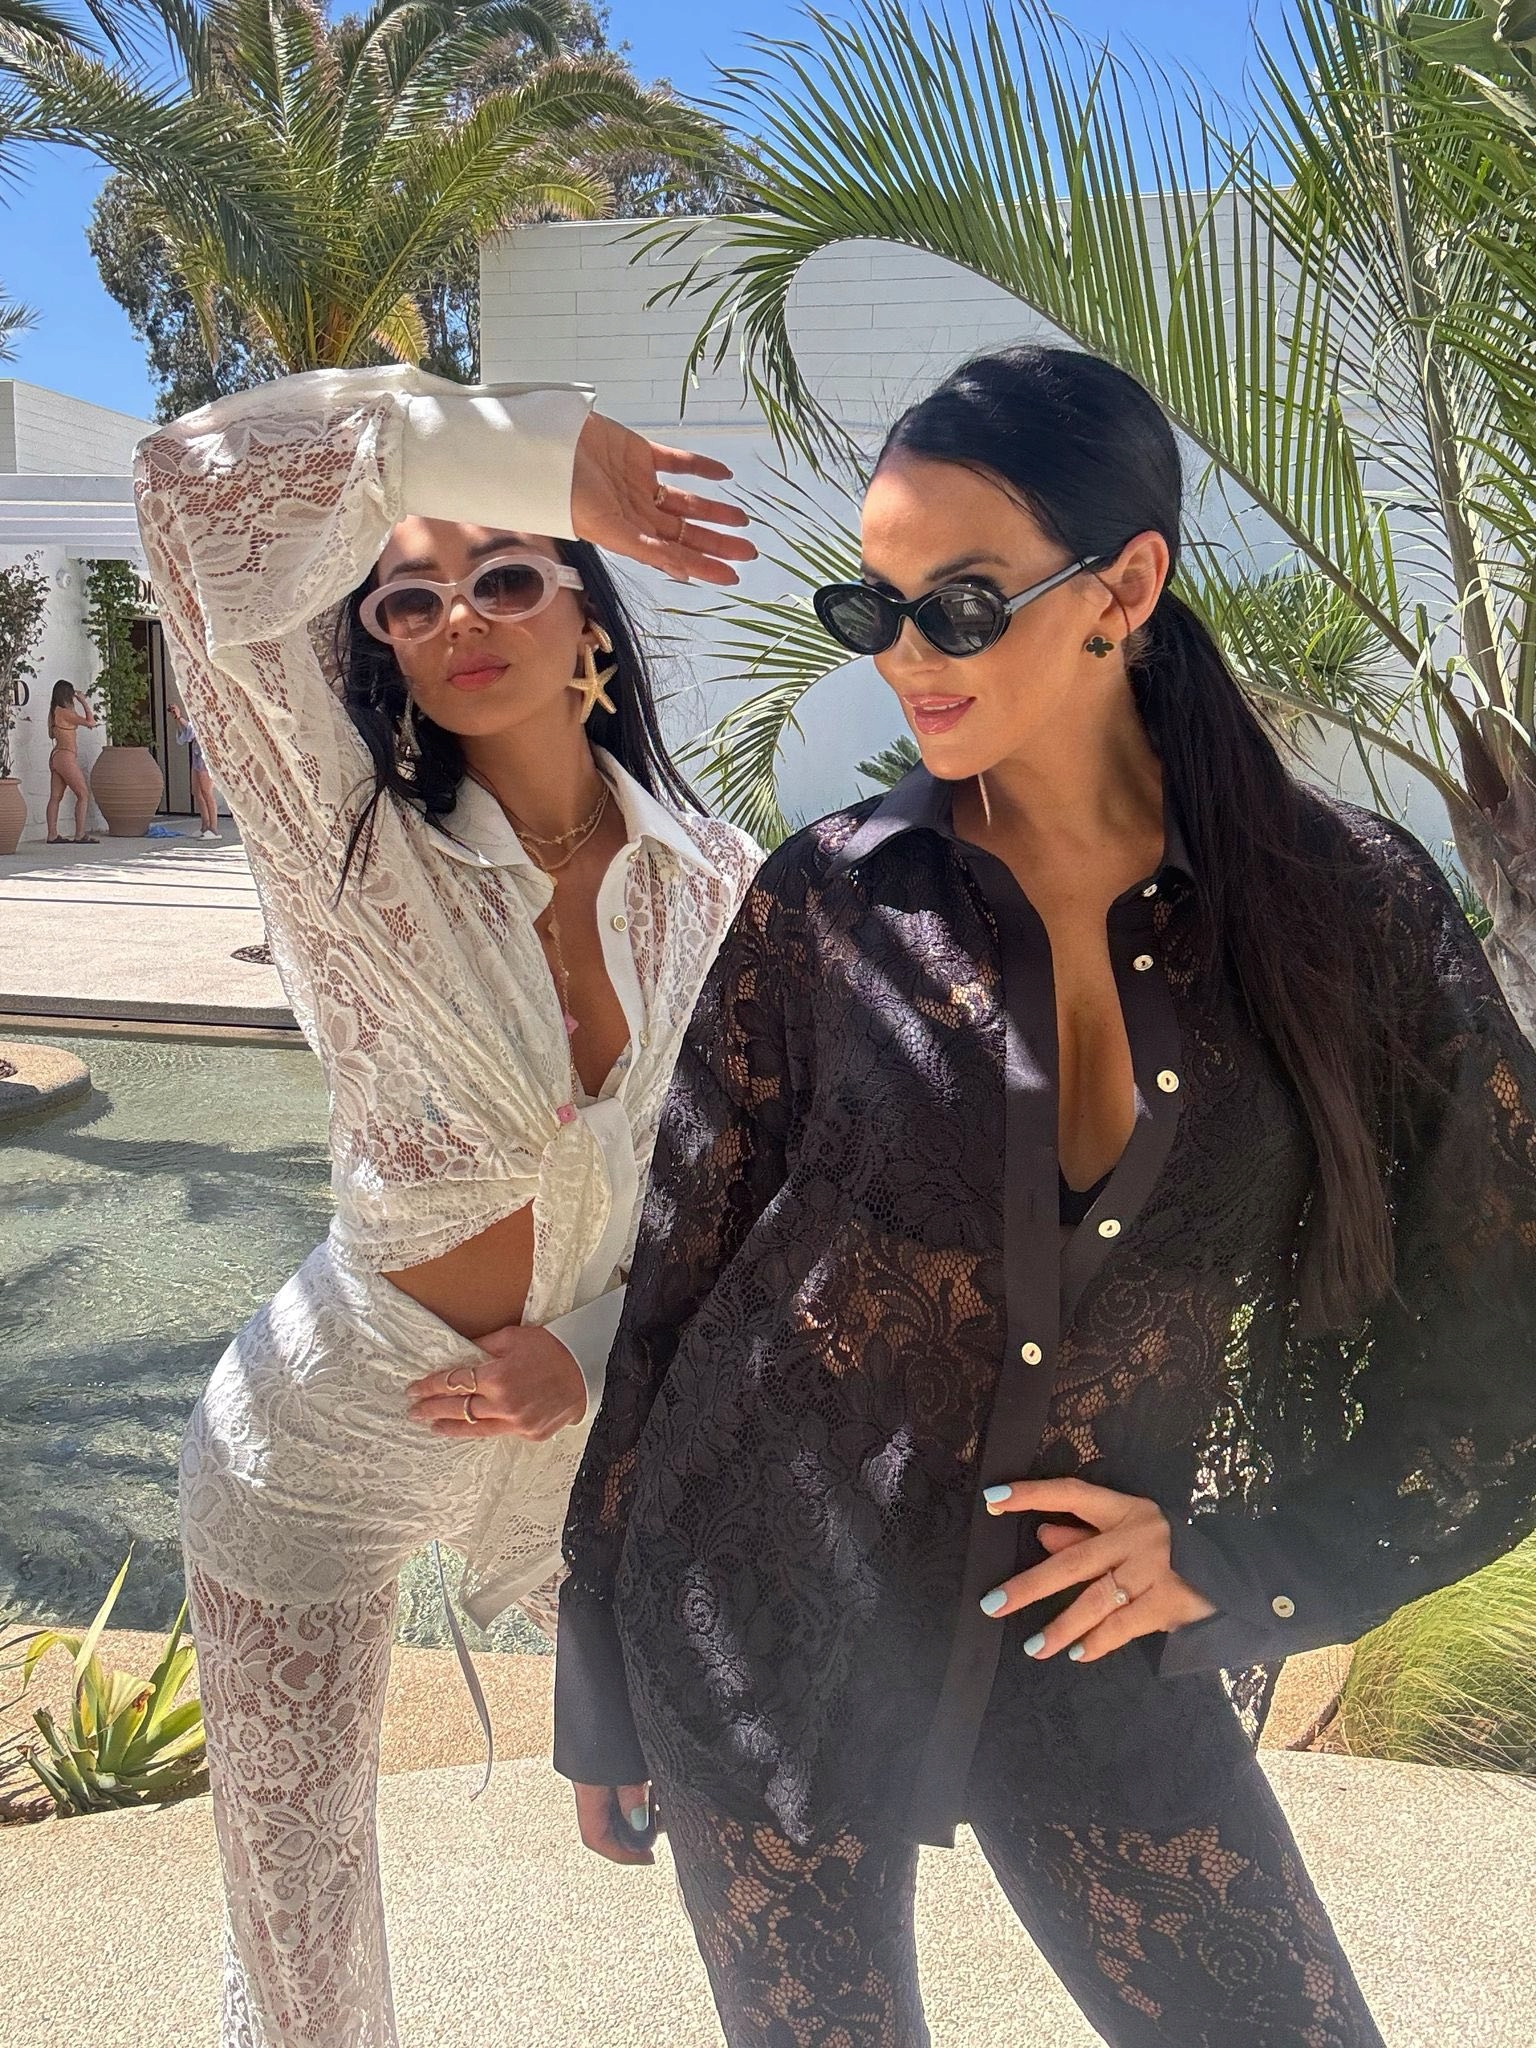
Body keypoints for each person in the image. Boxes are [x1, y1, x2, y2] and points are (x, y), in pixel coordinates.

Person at [555, 345, 1536, 2047]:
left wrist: (1252, 1563)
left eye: (959, 605)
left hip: (1094, 1641)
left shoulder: (1345, 912)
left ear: (1125, 588)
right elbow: (679, 1281)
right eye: (873, 608)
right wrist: (599, 1670)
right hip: (764, 1602)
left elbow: (1501, 1320)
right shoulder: (833, 901)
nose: (904, 659)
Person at [133, 363, 759, 2048]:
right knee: (301, 1897)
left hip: (588, 1433)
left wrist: (589, 1350)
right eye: (408, 597)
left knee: (759, 1778)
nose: (457, 615)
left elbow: (753, 1194)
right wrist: (510, 447)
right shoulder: (340, 846)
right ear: (387, 650)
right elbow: (180, 488)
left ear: (589, 617)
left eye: (505, 573)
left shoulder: (716, 886)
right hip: (318, 1439)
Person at [44, 679, 99, 843]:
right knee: (83, 794)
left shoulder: (54, 712)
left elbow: (51, 735)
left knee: (55, 797)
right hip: (66, 756)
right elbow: (91, 722)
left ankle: (52, 834)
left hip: (56, 755)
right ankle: (80, 834)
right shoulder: (65, 713)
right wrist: (83, 702)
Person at [168, 698, 220, 837]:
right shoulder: (197, 715)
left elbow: (194, 731)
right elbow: (187, 734)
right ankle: (205, 826)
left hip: (207, 756)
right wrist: (178, 718)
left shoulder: (209, 716)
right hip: (197, 754)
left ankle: (214, 829)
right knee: (196, 791)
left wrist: (180, 718)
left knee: (207, 791)